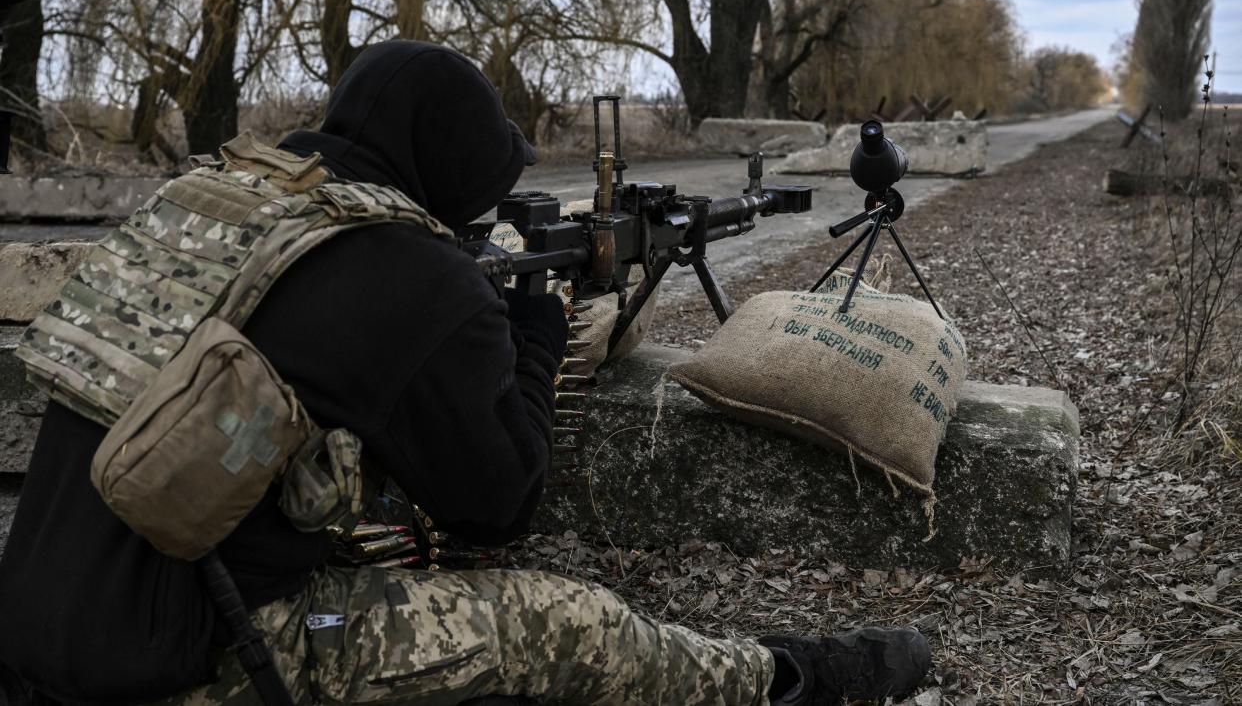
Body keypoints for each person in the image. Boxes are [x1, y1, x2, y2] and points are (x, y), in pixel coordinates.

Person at [0, 41, 931, 706]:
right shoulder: (412, 274)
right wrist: (528, 332)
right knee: (564, 622)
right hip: (186, 664)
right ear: (456, 171)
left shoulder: (212, 201)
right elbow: (499, 507)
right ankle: (789, 679)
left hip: (36, 605)